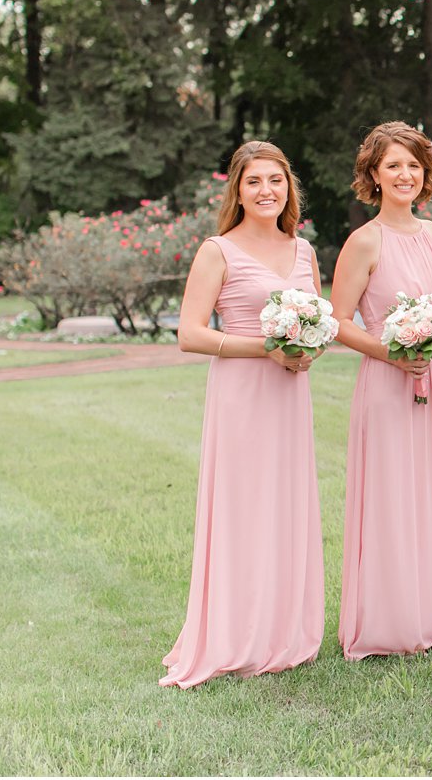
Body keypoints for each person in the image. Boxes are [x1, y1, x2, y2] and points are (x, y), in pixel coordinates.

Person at [162, 141, 325, 688]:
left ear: (288, 188)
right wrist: (266, 349)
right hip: (241, 394)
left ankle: (281, 629)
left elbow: (319, 323)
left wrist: (305, 350)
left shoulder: (304, 252)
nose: (266, 191)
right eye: (254, 181)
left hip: (289, 395)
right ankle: (234, 634)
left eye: (275, 180)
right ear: (237, 189)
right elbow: (190, 333)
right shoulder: (218, 250)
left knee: (284, 505)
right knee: (242, 508)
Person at [330, 122, 432, 659]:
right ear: (373, 173)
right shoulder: (365, 240)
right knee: (395, 496)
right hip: (387, 384)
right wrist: (393, 354)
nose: (405, 174)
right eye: (393, 165)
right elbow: (338, 320)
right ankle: (393, 620)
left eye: (413, 165)